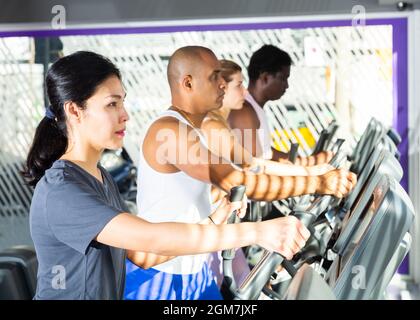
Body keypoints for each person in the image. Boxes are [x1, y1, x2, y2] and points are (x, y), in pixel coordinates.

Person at [23, 51, 311, 300]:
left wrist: (211, 221)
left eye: (123, 103)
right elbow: (151, 239)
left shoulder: (99, 177)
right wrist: (257, 232)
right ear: (74, 110)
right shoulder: (62, 191)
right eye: (112, 104)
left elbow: (141, 255)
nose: (125, 115)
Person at [125, 46, 356, 300]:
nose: (222, 84)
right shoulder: (169, 130)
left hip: (194, 270)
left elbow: (249, 166)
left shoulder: (194, 130)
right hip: (162, 278)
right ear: (187, 83)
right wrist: (317, 182)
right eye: (214, 77)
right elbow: (238, 179)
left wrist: (218, 212)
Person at [201, 59, 334, 177]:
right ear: (222, 88)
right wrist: (309, 172)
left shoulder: (218, 122)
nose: (245, 91)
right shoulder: (213, 126)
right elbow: (252, 165)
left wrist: (307, 168)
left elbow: (257, 161)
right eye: (238, 85)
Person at [228, 44, 331, 166]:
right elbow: (254, 168)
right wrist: (308, 167)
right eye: (283, 78)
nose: (286, 86)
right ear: (265, 77)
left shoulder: (254, 108)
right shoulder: (243, 112)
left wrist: (301, 162)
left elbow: (265, 152)